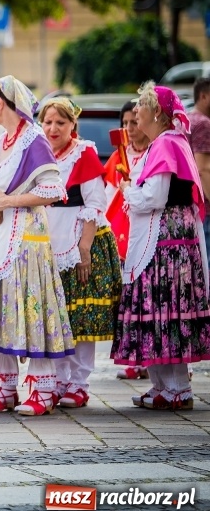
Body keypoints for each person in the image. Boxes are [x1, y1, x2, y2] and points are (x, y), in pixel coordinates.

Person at [0, 76, 75, 416]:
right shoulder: (1, 143)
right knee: (3, 309)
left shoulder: (33, 139)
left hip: (26, 239)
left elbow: (53, 189)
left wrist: (10, 200)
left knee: (29, 307)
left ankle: (42, 388)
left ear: (1, 103)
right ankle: (5, 385)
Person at [112, 81, 210, 410]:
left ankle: (177, 388)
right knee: (158, 308)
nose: (135, 110)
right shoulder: (167, 143)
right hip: (166, 237)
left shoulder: (166, 144)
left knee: (163, 307)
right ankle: (163, 386)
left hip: (166, 240)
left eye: (141, 105)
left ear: (157, 112)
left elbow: (153, 197)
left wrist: (128, 190)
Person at [39, 97, 122, 408]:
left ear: (72, 124)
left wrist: (84, 249)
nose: (53, 128)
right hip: (48, 242)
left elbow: (95, 203)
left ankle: (79, 382)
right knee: (57, 317)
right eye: (48, 122)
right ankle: (59, 379)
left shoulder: (83, 152)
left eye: (60, 122)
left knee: (80, 317)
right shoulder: (38, 152)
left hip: (78, 241)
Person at [104, 99, 152, 381]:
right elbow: (107, 198)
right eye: (124, 123)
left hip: (146, 231)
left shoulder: (155, 155)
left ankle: (153, 356)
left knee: (149, 297)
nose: (130, 128)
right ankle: (134, 357)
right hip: (121, 234)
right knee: (128, 300)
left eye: (134, 121)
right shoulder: (117, 159)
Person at [188, 77, 210, 272]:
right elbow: (202, 168)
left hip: (191, 204)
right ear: (203, 96)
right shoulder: (204, 123)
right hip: (205, 206)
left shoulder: (189, 119)